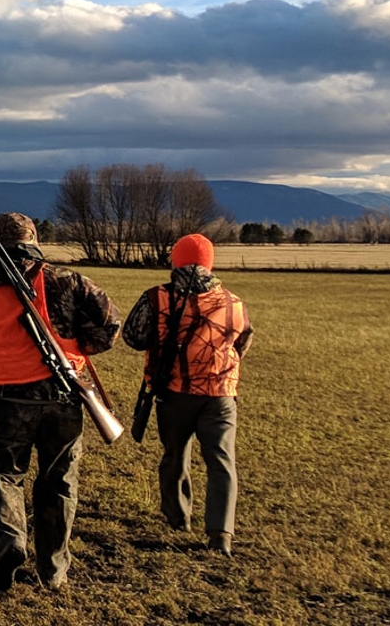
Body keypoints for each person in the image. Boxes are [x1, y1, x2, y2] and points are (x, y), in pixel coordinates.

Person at [0, 213, 120, 592]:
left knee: (1, 476)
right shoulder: (69, 282)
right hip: (63, 398)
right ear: (33, 240)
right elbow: (109, 325)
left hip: (7, 401)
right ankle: (53, 570)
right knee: (59, 484)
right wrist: (78, 348)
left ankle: (9, 544)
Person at [122, 233, 253, 557]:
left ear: (175, 261)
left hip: (174, 393)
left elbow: (133, 338)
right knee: (222, 462)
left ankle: (178, 516)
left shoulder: (157, 297)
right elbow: (242, 342)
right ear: (210, 264)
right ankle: (221, 534)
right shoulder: (234, 303)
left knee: (174, 456)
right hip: (220, 395)